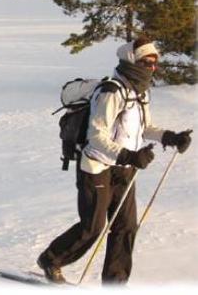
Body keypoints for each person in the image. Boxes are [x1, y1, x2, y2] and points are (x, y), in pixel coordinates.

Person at [37, 37, 192, 284]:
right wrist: (128, 155)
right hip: (97, 166)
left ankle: (115, 283)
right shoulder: (110, 92)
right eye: (147, 61)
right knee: (93, 227)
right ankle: (51, 259)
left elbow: (146, 127)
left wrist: (170, 137)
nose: (152, 67)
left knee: (126, 227)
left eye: (155, 63)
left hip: (124, 168)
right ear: (132, 60)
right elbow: (96, 135)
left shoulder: (140, 92)